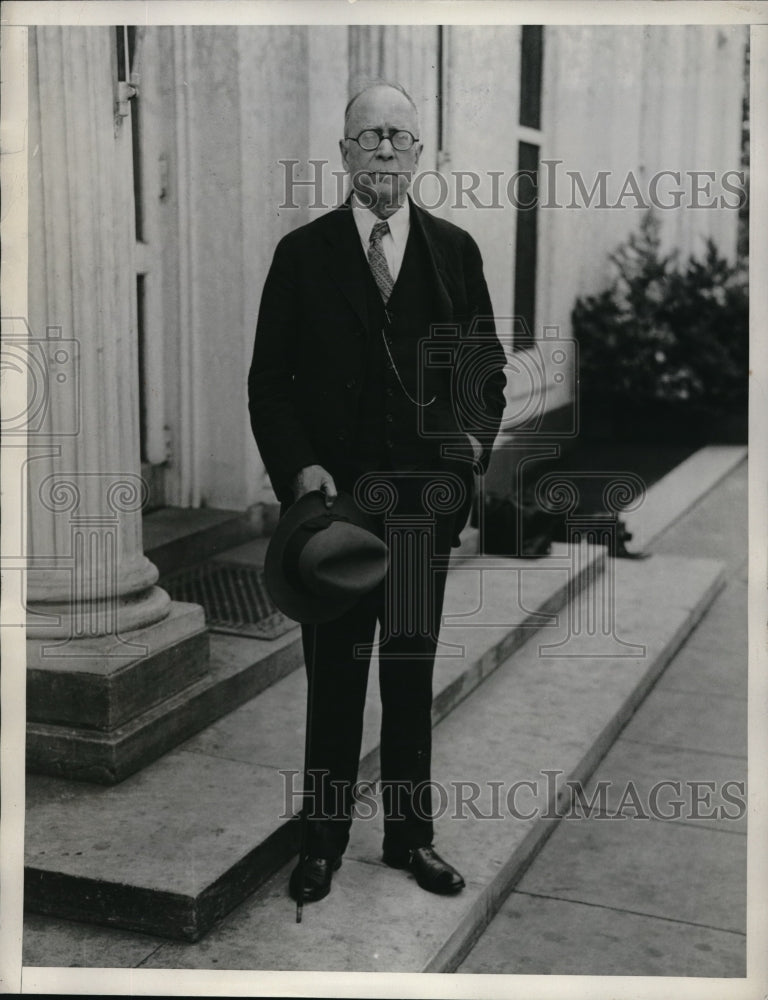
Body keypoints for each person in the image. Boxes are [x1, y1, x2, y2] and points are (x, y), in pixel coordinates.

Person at [248, 81, 507, 904]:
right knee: (334, 679)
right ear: (346, 154)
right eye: (370, 136)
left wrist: (468, 457)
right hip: (338, 515)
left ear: (420, 154)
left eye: (400, 136)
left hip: (421, 511)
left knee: (407, 672)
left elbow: (485, 371)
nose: (386, 149)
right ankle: (320, 843)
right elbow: (269, 385)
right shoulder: (304, 254)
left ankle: (410, 839)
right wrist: (300, 473)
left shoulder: (455, 252)